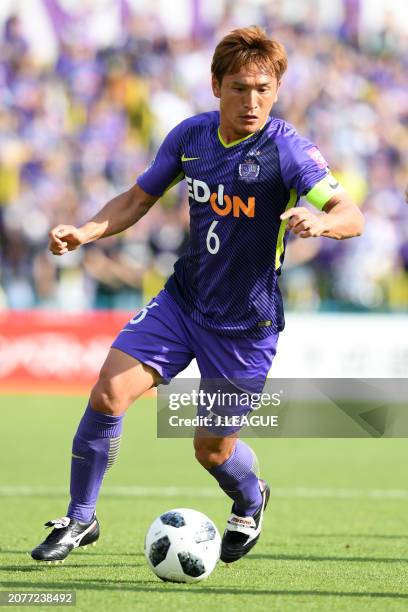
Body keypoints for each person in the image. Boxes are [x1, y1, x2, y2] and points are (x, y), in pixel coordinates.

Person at [31, 26, 363, 565]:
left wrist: (323, 223)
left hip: (244, 326)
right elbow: (139, 197)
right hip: (183, 301)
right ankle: (80, 517)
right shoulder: (191, 137)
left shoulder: (288, 149)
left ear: (277, 90)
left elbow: (352, 214)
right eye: (238, 87)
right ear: (215, 86)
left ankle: (252, 498)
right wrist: (88, 231)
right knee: (108, 395)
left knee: (212, 451)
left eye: (262, 88)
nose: (251, 100)